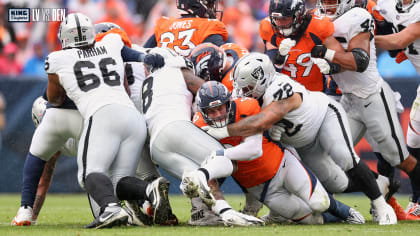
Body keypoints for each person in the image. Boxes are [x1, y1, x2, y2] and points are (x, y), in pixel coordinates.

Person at [202, 52, 397, 225]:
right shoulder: (254, 93)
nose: (244, 92)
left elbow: (261, 122)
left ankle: (381, 206)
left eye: (249, 87)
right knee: (335, 183)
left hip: (323, 119)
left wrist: (224, 131)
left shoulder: (279, 88)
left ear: (263, 78)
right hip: (302, 142)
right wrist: (271, 132)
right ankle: (381, 183)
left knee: (344, 157)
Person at [44, 12, 169, 228]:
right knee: (118, 181)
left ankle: (110, 209)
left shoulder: (57, 59)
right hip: (133, 118)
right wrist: (144, 58)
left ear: (64, 38)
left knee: (88, 174)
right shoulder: (112, 42)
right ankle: (149, 189)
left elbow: (54, 99)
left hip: (102, 114)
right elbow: (133, 54)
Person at [183, 81, 365, 225]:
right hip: (261, 189)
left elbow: (254, 149)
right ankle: (328, 218)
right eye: (211, 111)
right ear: (203, 112)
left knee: (320, 203)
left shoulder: (246, 107)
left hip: (282, 165)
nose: (217, 114)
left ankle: (347, 212)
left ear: (228, 103)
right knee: (310, 219)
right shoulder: (199, 124)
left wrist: (223, 153)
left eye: (220, 108)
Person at [140, 47, 261, 226]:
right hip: (175, 127)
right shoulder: (177, 69)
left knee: (201, 176)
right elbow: (207, 91)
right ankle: (206, 196)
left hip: (156, 146)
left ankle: (214, 214)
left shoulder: (147, 82)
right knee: (225, 159)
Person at [374, 0, 420, 217]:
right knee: (413, 141)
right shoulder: (388, 4)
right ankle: (418, 201)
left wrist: (363, 39)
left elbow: (400, 39)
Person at [259, 0, 348, 92]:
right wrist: (279, 57)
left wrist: (330, 65)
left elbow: (342, 60)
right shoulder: (268, 27)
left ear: (299, 16)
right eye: (276, 19)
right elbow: (269, 71)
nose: (280, 24)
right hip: (284, 93)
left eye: (285, 19)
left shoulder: (318, 26)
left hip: (315, 93)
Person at [143, 0, 228, 56]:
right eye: (209, 4)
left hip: (159, 78)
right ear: (196, 6)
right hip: (191, 80)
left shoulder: (164, 25)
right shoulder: (209, 26)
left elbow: (143, 53)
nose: (212, 8)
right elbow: (223, 58)